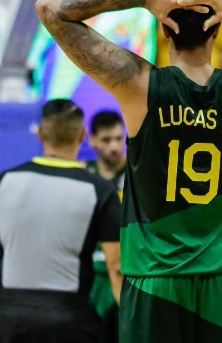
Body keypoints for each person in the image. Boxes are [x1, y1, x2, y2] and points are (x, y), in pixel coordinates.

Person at [36, 0, 222, 342]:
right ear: (217, 30)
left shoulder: (139, 85)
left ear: (164, 30)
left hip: (156, 278)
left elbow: (51, 10)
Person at [0, 99, 122, 343]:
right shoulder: (98, 190)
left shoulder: (5, 181)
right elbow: (117, 266)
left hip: (10, 318)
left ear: (39, 134)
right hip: (69, 320)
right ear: (82, 136)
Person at [85, 109, 126, 343]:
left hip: (127, 277)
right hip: (92, 279)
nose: (114, 146)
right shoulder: (84, 176)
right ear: (92, 140)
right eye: (106, 139)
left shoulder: (137, 175)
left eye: (119, 139)